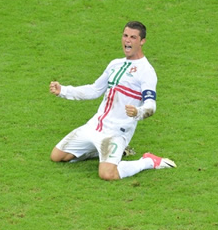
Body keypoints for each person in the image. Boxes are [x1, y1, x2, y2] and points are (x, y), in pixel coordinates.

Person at [49, 21, 176, 181]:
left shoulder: (147, 72)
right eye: (125, 36)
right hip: (95, 126)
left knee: (107, 174)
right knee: (57, 156)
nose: (127, 40)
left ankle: (148, 161)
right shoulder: (115, 64)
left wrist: (138, 112)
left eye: (133, 37)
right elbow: (95, 89)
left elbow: (151, 105)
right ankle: (101, 151)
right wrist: (64, 90)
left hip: (116, 132)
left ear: (142, 41)